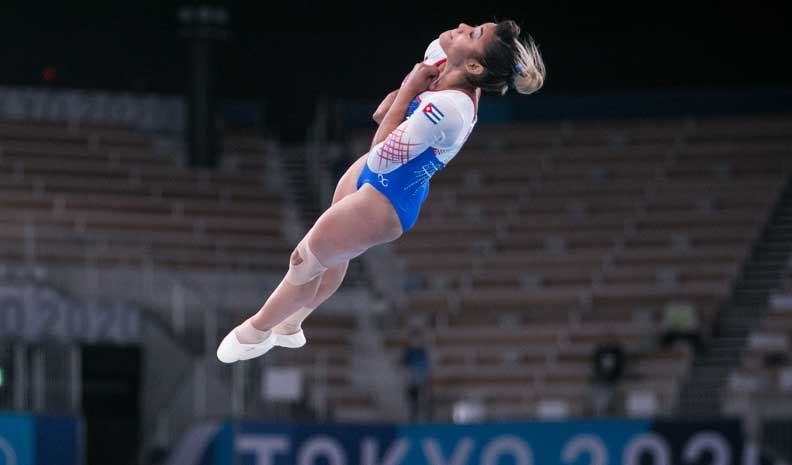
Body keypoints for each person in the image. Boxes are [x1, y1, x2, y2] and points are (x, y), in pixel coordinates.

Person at [217, 21, 546, 363]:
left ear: (475, 67)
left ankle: (254, 332)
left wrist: (410, 92)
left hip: (389, 201)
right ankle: (291, 325)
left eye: (473, 34)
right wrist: (405, 96)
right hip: (374, 172)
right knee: (332, 254)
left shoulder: (452, 111)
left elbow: (381, 152)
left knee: (304, 261)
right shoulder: (438, 53)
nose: (463, 26)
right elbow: (381, 114)